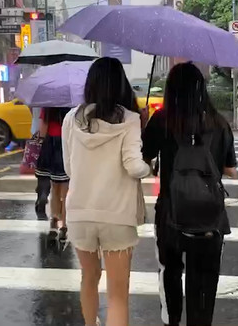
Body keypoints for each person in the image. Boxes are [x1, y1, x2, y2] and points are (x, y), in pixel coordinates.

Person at [142, 62, 238, 326]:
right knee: (203, 282)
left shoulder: (162, 120)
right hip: (209, 216)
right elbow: (231, 170)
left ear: (171, 90)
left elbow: (145, 159)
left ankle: (171, 320)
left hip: (171, 213)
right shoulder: (218, 122)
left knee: (170, 273)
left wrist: (145, 127)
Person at [62, 57, 150, 326]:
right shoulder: (130, 119)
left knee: (89, 279)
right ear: (120, 85)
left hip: (80, 213)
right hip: (117, 216)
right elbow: (134, 167)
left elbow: (68, 167)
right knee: (117, 295)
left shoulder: (71, 119)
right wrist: (149, 164)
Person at [36, 107, 71, 240]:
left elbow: (43, 130)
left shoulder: (48, 106)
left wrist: (40, 141)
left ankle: (54, 221)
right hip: (67, 146)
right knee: (66, 191)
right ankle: (64, 225)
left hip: (51, 146)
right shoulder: (73, 108)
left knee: (55, 187)